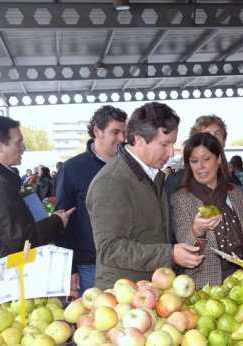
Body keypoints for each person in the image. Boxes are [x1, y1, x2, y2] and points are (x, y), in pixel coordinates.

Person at [87, 102, 204, 289]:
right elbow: (110, 249)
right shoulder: (111, 182)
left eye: (173, 143)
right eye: (164, 144)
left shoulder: (151, 175)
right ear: (139, 139)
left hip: (149, 288)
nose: (171, 152)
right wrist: (169, 254)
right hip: (123, 295)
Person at [0, 116, 75, 304]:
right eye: (18, 142)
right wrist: (56, 221)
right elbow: (21, 239)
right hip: (0, 286)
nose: (23, 147)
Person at [170, 133, 243, 288]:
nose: (200, 166)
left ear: (218, 159)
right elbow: (184, 250)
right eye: (194, 161)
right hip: (205, 285)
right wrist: (197, 230)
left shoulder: (237, 193)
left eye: (206, 159)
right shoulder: (182, 199)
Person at [56, 105, 128, 298]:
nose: (122, 138)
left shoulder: (131, 168)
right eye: (115, 132)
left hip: (128, 262)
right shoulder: (73, 169)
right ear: (97, 131)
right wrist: (70, 268)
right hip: (90, 266)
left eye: (124, 132)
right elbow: (63, 222)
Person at [164, 115, 242, 246]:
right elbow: (170, 229)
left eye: (218, 134)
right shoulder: (176, 182)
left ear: (224, 141)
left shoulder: (234, 184)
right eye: (207, 134)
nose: (213, 139)